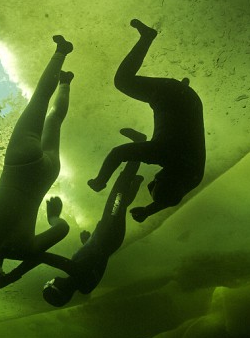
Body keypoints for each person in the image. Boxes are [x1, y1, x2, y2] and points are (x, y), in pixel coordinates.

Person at [0, 35, 75, 289]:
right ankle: (61, 51)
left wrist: (54, 217)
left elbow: (62, 229)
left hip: (46, 174)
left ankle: (66, 83)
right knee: (39, 99)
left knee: (55, 119)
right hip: (20, 162)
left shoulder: (23, 251)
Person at [88, 19, 205, 223]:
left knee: (163, 122)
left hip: (191, 101)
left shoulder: (192, 178)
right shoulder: (164, 154)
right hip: (172, 96)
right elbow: (118, 154)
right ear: (166, 178)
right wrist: (101, 180)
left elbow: (170, 200)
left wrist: (148, 212)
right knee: (123, 81)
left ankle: (142, 134)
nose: (154, 177)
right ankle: (147, 37)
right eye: (156, 180)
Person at [43, 128, 146, 307]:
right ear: (58, 289)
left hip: (108, 237)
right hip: (109, 232)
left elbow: (92, 260)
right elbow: (52, 260)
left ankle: (136, 181)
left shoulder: (84, 285)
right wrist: (28, 253)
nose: (49, 280)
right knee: (120, 187)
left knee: (119, 201)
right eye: (49, 285)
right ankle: (139, 144)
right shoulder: (77, 276)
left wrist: (87, 241)